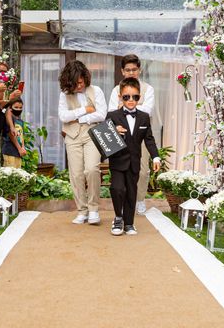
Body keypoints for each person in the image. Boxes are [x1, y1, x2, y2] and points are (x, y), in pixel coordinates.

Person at [107, 78, 160, 236]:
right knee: (117, 188)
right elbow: (103, 136)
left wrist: (156, 157)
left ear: (140, 97)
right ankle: (118, 218)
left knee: (131, 192)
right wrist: (113, 130)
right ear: (120, 96)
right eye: (126, 97)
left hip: (134, 162)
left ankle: (129, 222)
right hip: (117, 160)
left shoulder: (144, 117)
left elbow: (149, 139)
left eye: (135, 97)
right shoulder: (112, 115)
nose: (131, 100)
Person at [58, 60, 107, 225]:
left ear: (85, 77)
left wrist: (79, 118)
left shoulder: (96, 91)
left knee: (92, 169)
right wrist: (85, 110)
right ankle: (82, 210)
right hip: (71, 137)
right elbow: (63, 117)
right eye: (74, 84)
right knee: (76, 174)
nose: (79, 86)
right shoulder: (64, 94)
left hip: (91, 134)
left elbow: (101, 114)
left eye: (80, 82)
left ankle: (93, 209)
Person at [107, 54, 156, 214]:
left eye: (134, 69)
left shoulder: (148, 89)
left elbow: (147, 111)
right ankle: (122, 205)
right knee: (120, 171)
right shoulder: (116, 90)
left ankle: (139, 199)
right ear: (122, 71)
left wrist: (126, 106)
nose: (131, 72)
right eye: (127, 70)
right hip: (120, 135)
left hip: (140, 133)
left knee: (142, 169)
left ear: (139, 70)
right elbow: (111, 112)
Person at [2, 97, 26, 168]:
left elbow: (21, 135)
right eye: (16, 107)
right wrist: (19, 148)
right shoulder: (9, 120)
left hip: (18, 152)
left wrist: (23, 147)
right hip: (10, 151)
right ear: (10, 108)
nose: (18, 109)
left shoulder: (20, 120)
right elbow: (11, 134)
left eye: (20, 107)